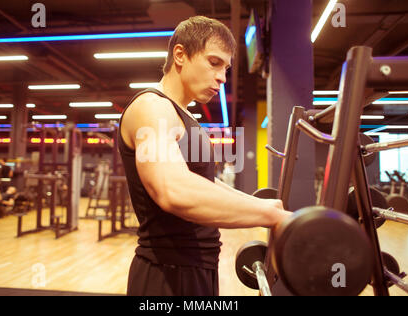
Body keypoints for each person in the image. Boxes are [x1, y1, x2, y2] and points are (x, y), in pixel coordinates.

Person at [118, 16, 291, 296]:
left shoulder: (183, 114)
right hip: (167, 277)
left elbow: (204, 180)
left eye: (226, 68)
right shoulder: (152, 108)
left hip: (198, 270)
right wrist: (269, 215)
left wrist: (268, 206)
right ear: (180, 55)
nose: (222, 77)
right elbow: (172, 189)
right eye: (214, 63)